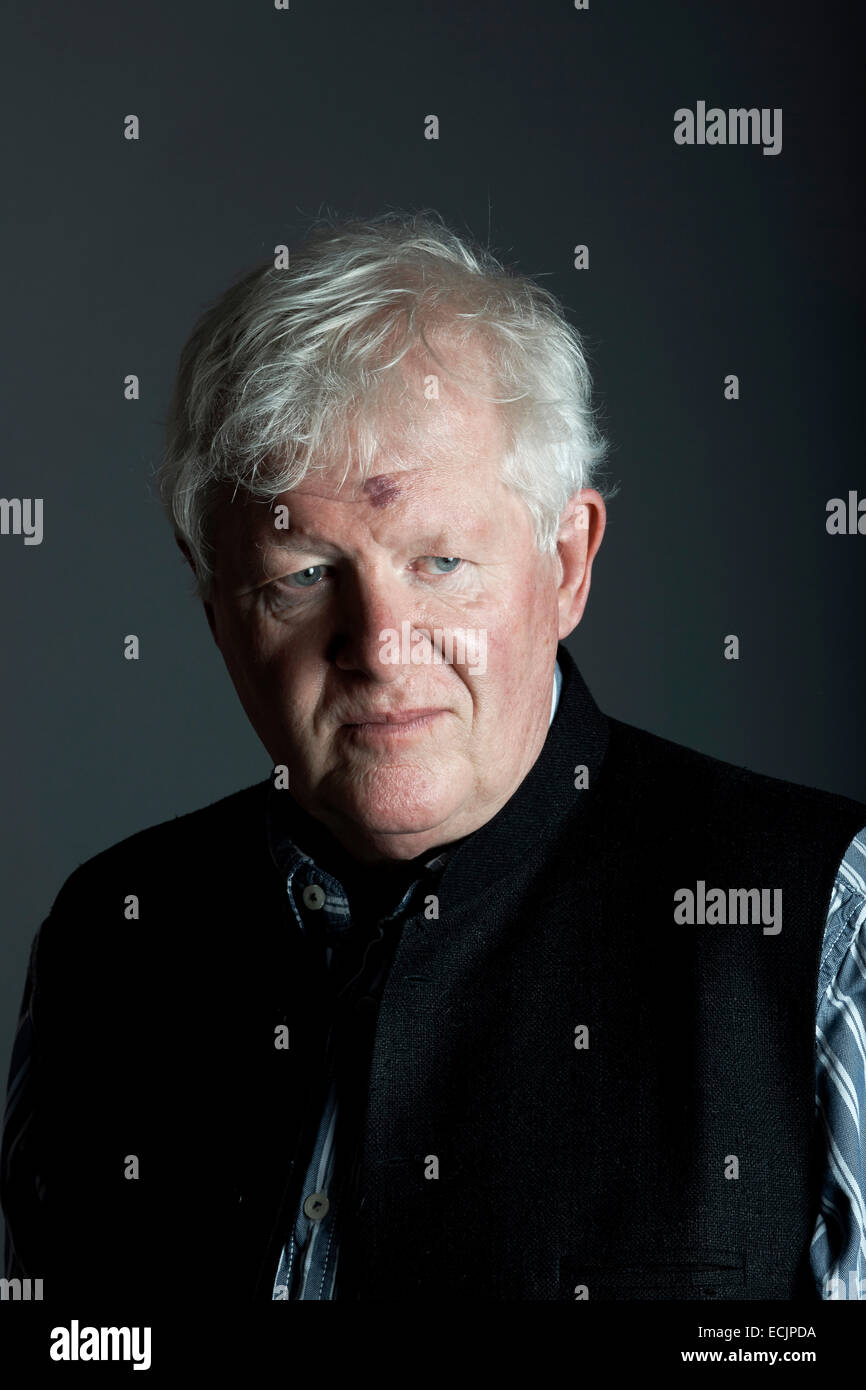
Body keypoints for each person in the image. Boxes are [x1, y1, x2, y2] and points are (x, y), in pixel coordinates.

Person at [2, 211, 864, 1302]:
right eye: (300, 575)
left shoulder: (822, 923)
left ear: (566, 562)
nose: (379, 647)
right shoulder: (105, 942)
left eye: (440, 560)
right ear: (214, 603)